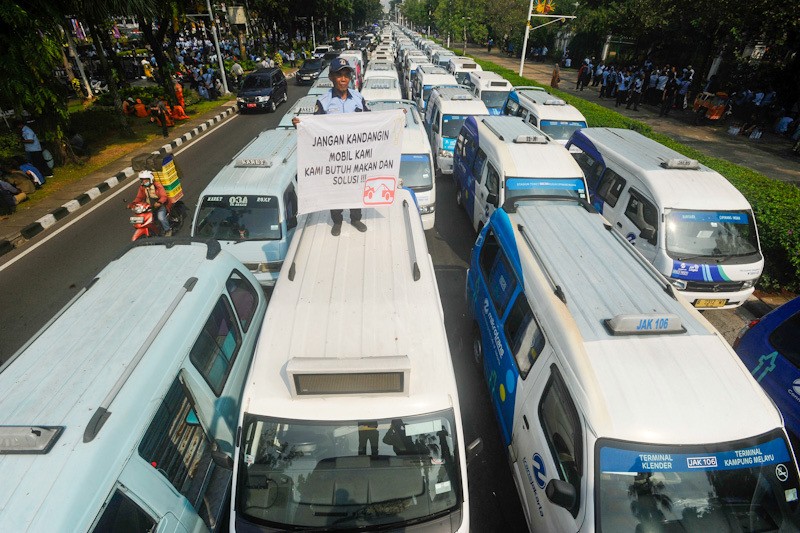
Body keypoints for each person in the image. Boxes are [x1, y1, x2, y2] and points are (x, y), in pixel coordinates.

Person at [292, 58, 369, 236]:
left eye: (346, 75)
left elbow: (370, 121)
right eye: (339, 75)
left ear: (350, 78)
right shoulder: (324, 101)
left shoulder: (358, 98)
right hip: (333, 157)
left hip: (355, 156)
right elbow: (315, 127)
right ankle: (337, 220)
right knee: (335, 190)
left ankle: (356, 218)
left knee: (356, 188)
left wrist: (394, 118)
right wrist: (301, 125)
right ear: (331, 77)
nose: (343, 79)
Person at [129, 170, 172, 236]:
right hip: (148, 206)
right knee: (143, 218)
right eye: (142, 180)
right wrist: (133, 203)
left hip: (159, 205)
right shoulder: (142, 187)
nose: (144, 182)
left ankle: (168, 230)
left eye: (146, 180)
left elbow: (164, 196)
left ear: (151, 179)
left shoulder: (157, 185)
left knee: (160, 217)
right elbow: (139, 197)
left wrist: (159, 202)